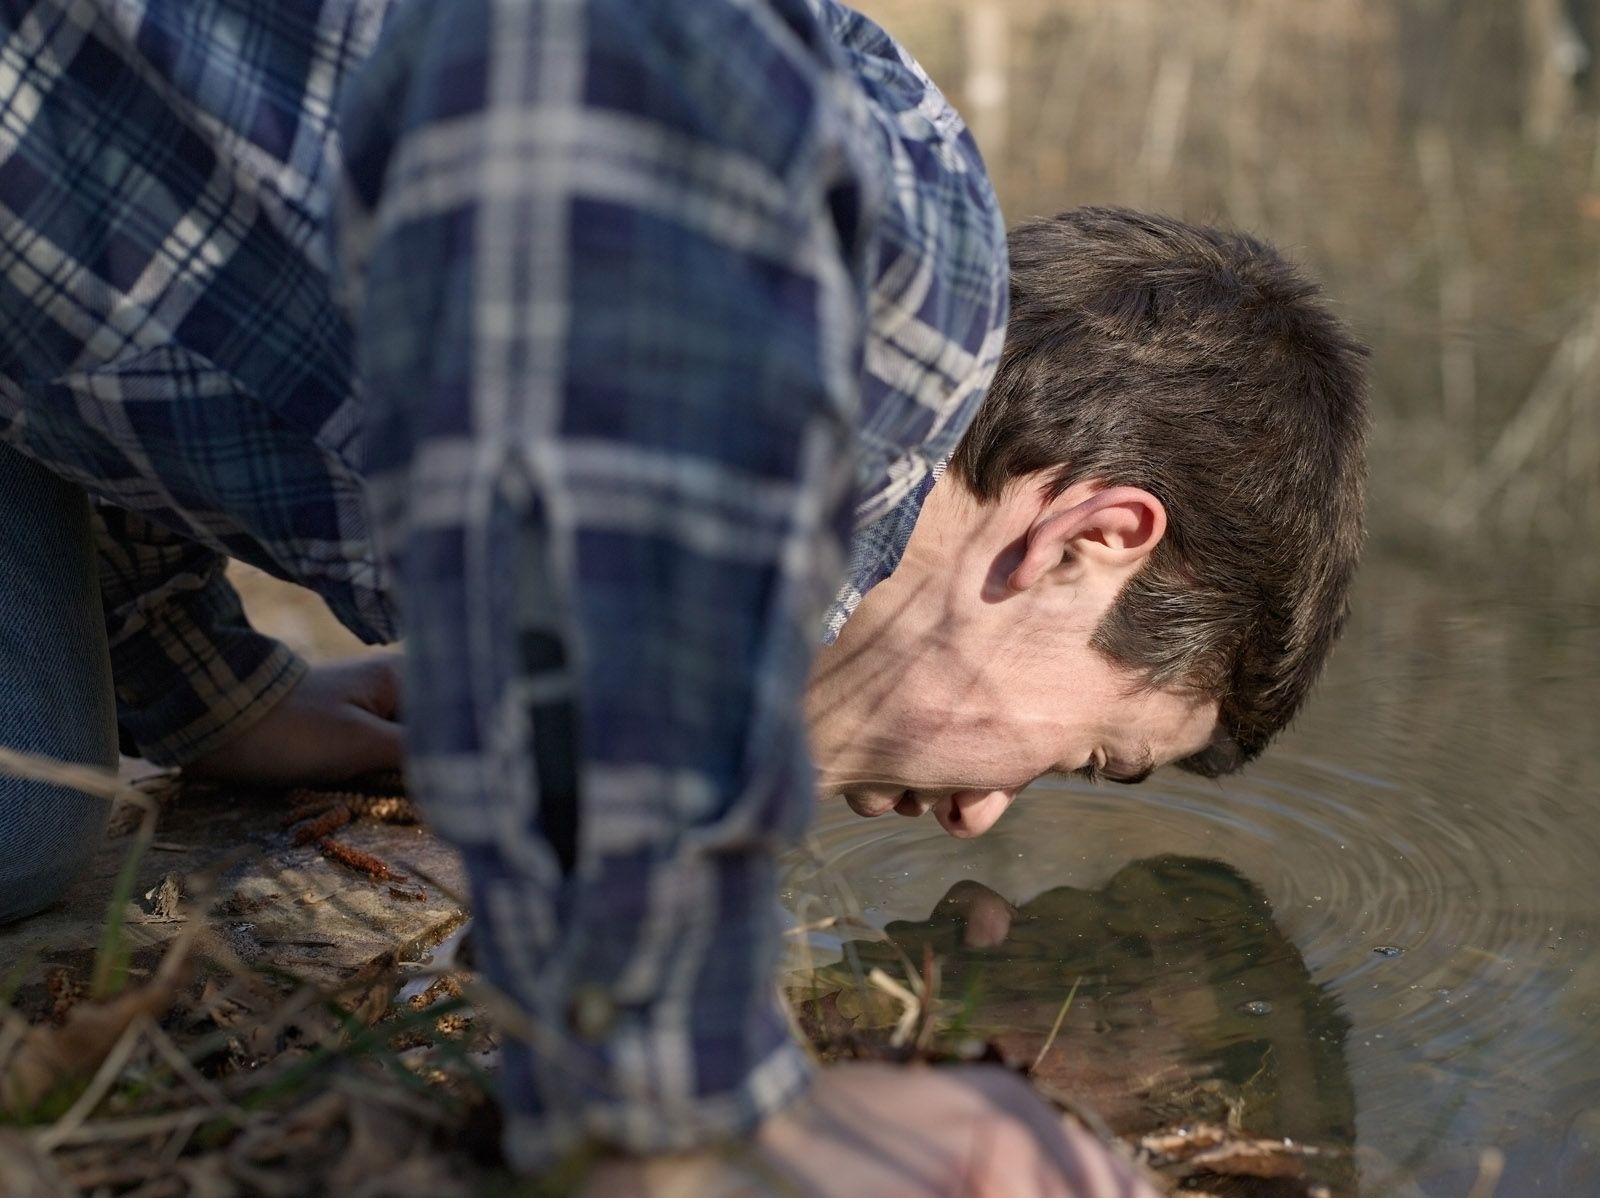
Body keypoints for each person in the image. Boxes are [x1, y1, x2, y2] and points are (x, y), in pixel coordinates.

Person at [0, 0, 1366, 1190]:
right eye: (1080, 750)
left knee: (31, 819)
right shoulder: (891, 276)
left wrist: (210, 685)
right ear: (1083, 541)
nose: (983, 815)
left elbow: (149, 322)